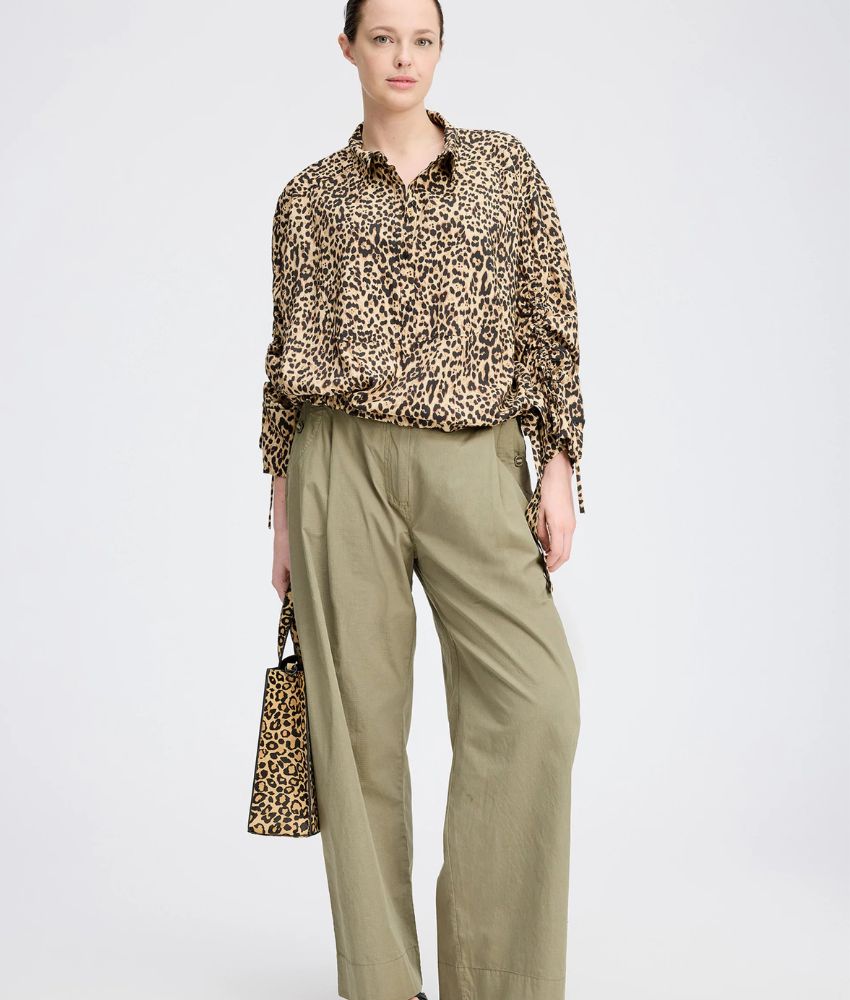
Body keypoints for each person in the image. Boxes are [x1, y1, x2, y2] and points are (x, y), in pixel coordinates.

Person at [258, 2, 585, 998]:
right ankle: (383, 981)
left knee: (536, 704)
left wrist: (558, 461)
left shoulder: (503, 169)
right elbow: (284, 358)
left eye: (422, 39)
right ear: (348, 47)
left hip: (473, 460)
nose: (403, 57)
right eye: (383, 37)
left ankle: (495, 979)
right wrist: (281, 508)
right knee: (358, 735)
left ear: (441, 49)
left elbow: (548, 319)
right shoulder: (306, 198)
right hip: (338, 462)